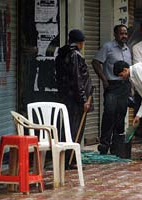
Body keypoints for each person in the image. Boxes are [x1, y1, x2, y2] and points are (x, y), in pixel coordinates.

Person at [55, 29, 93, 169]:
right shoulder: (75, 55)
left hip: (66, 97)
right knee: (75, 130)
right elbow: (78, 79)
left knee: (67, 128)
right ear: (81, 42)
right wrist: (84, 100)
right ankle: (70, 160)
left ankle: (66, 159)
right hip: (76, 100)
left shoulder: (61, 54)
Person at [92, 25, 131, 155]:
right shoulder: (108, 47)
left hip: (124, 86)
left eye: (125, 33)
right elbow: (96, 62)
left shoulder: (127, 49)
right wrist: (104, 80)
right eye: (121, 33)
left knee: (121, 115)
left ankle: (117, 147)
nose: (124, 36)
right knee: (109, 114)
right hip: (112, 85)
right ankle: (104, 145)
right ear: (115, 34)